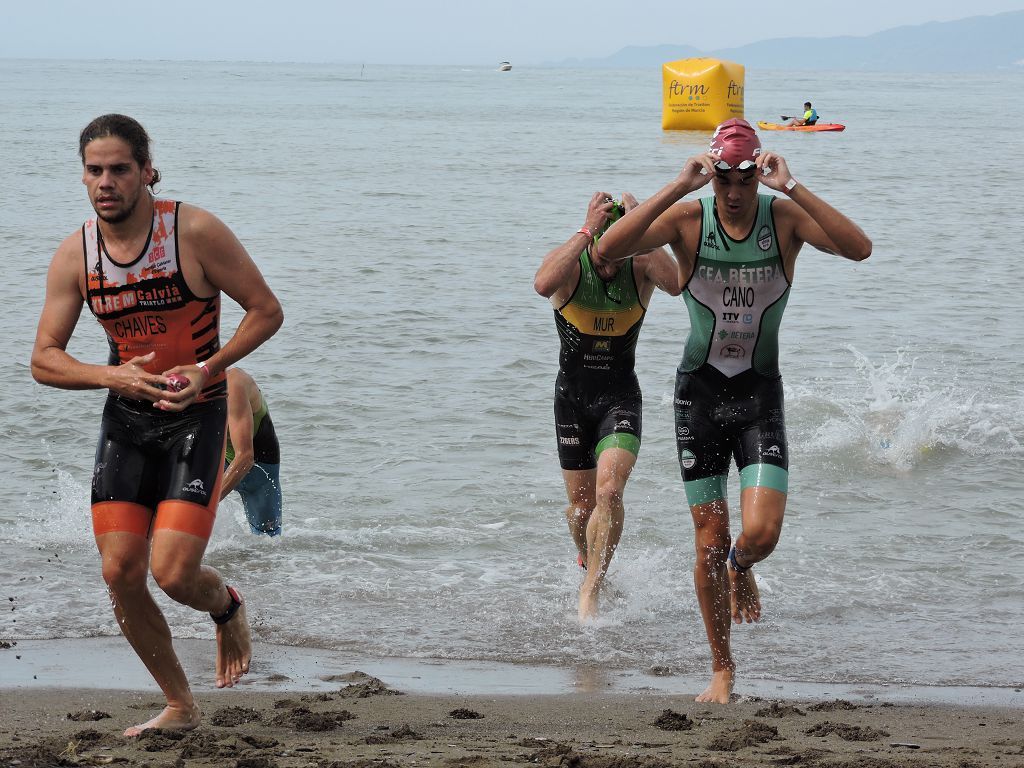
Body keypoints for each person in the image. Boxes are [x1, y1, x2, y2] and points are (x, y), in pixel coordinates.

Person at [597, 118, 870, 702]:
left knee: (762, 533)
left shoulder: (784, 218)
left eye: (746, 178)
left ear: (759, 173)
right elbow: (608, 249)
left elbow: (859, 249)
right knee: (707, 541)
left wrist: (794, 186)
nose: (736, 191)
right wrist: (678, 185)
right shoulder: (689, 221)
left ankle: (742, 569)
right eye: (724, 179)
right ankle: (722, 669)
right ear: (714, 176)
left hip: (759, 395)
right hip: (698, 396)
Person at [30, 114, 284, 735]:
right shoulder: (77, 253)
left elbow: (266, 310)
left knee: (172, 573)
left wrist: (209, 367)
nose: (106, 182)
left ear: (147, 170)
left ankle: (226, 607)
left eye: (119, 169)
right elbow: (44, 358)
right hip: (127, 418)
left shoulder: (191, 231)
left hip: (197, 414)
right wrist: (110, 376)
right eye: (94, 171)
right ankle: (179, 703)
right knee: (119, 572)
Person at [534, 191, 680, 621]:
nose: (613, 260)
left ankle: (591, 590)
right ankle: (588, 564)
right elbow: (542, 285)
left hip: (620, 397)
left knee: (610, 491)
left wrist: (645, 231)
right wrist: (585, 229)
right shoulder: (570, 265)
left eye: (624, 246)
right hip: (572, 401)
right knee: (581, 511)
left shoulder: (643, 262)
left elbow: (679, 285)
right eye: (608, 247)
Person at [221, 367, 283, 536]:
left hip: (259, 469)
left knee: (267, 542)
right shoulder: (177, 386)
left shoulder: (234, 384)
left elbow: (246, 457)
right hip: (221, 459)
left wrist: (209, 503)